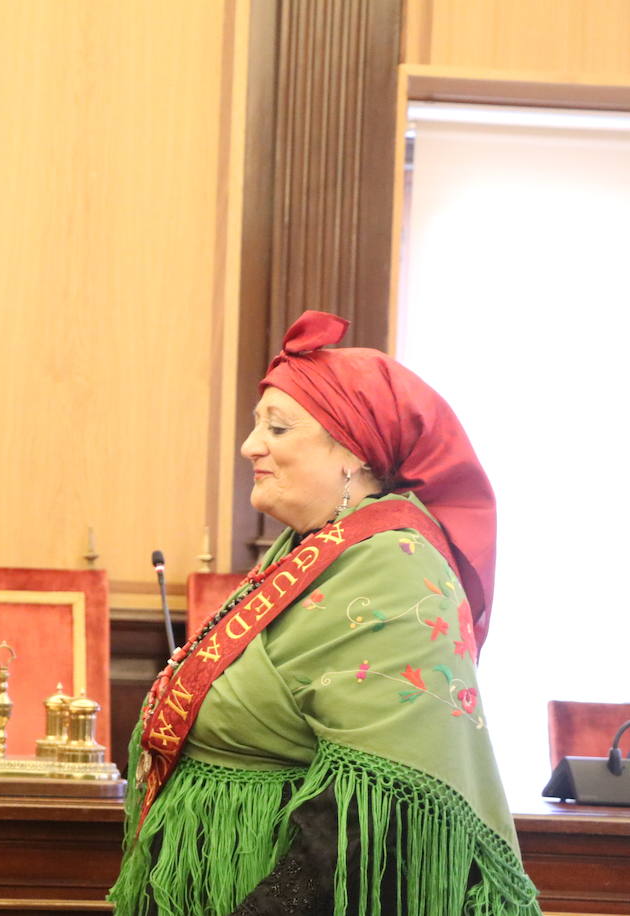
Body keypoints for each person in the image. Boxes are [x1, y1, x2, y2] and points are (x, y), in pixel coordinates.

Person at [109, 311, 540, 915]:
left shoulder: (393, 563)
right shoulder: (317, 546)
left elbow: (370, 820)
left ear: (352, 454)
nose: (249, 445)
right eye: (258, 425)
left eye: (278, 428)